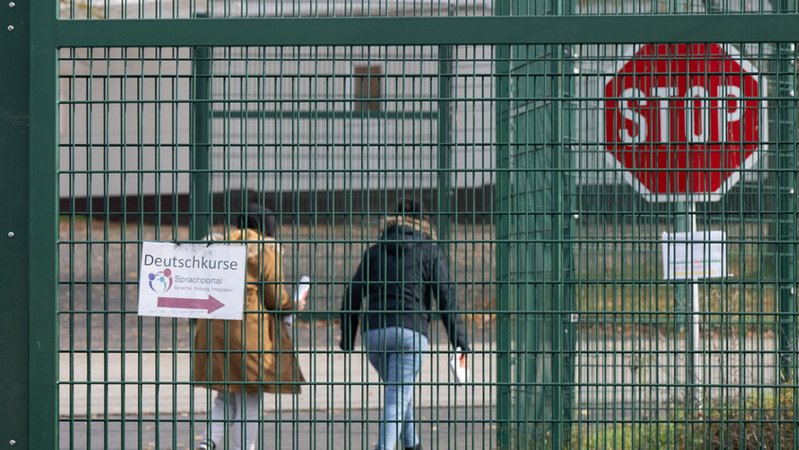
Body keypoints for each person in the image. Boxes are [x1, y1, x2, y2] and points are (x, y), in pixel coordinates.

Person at [339, 200, 471, 450]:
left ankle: (413, 444)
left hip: (375, 334)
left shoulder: (375, 251)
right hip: (411, 331)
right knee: (397, 396)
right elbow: (446, 297)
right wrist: (459, 341)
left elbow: (352, 294)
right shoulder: (429, 249)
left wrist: (348, 339)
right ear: (423, 222)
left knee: (398, 391)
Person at [194, 203, 306, 450]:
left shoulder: (218, 246)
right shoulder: (266, 249)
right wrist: (295, 304)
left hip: (213, 328)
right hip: (248, 331)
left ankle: (207, 442)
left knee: (224, 396)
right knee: (250, 397)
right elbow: (275, 298)